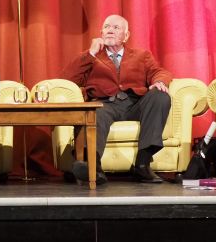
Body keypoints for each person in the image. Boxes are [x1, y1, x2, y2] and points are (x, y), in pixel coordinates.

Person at [61, 14, 172, 184]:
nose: (110, 30)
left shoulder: (141, 55)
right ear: (101, 32)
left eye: (116, 27)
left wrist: (158, 82)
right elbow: (66, 80)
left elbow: (159, 71)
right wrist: (90, 53)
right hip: (105, 104)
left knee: (160, 96)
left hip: (135, 103)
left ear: (126, 36)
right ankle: (94, 169)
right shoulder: (92, 57)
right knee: (96, 113)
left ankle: (142, 165)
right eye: (107, 27)